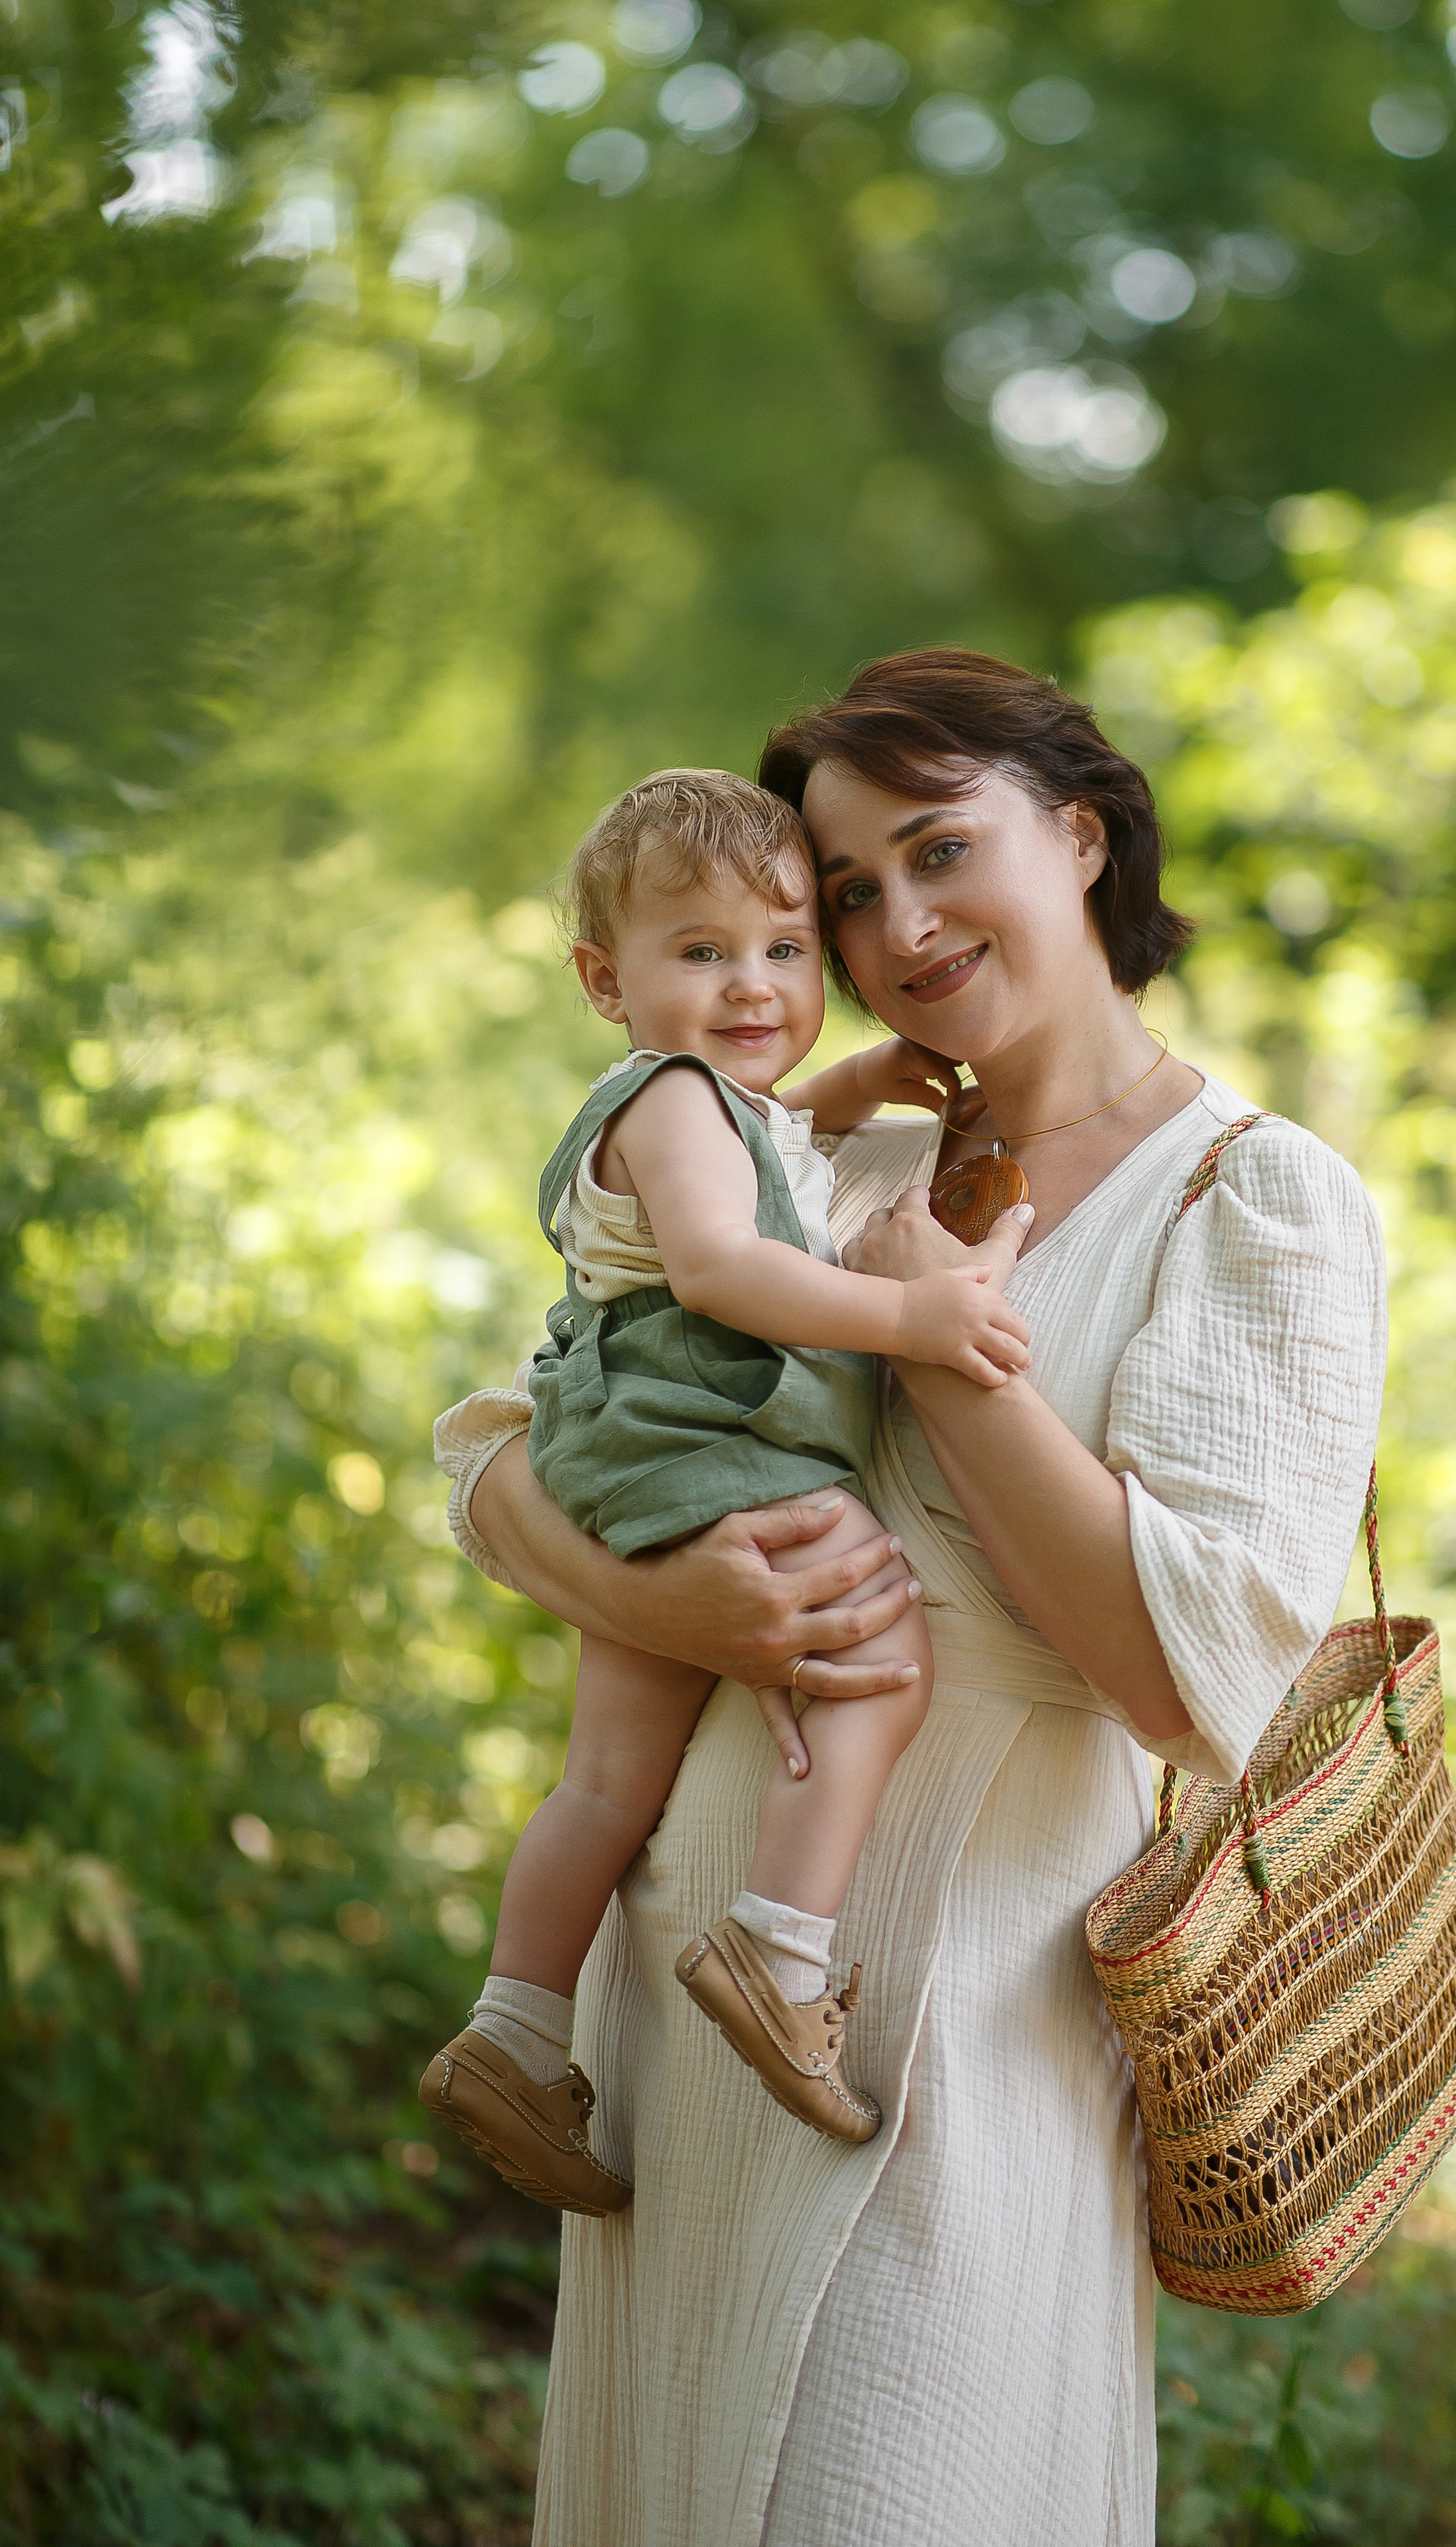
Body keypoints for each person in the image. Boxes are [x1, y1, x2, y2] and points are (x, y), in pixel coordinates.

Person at [435, 649, 1388, 2546]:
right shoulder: (803, 1138)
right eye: (850, 888)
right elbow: (496, 1456)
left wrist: (943, 1340)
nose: (899, 922)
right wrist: (701, 1609)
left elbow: (1185, 1673)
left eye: (942, 847)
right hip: (690, 1978)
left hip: (966, 2002)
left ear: (1085, 836)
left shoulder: (1258, 1197)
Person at [420, 770, 1032, 2207]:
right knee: (876, 1659)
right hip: (709, 1437)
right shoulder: (681, 1097)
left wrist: (849, 1087)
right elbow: (722, 1264)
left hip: (625, 1448)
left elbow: (749, 1158)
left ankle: (513, 2027)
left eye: (783, 949)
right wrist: (912, 1321)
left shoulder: (688, 1099)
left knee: (605, 1776)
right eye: (699, 954)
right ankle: (778, 1947)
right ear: (604, 979)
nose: (751, 984)